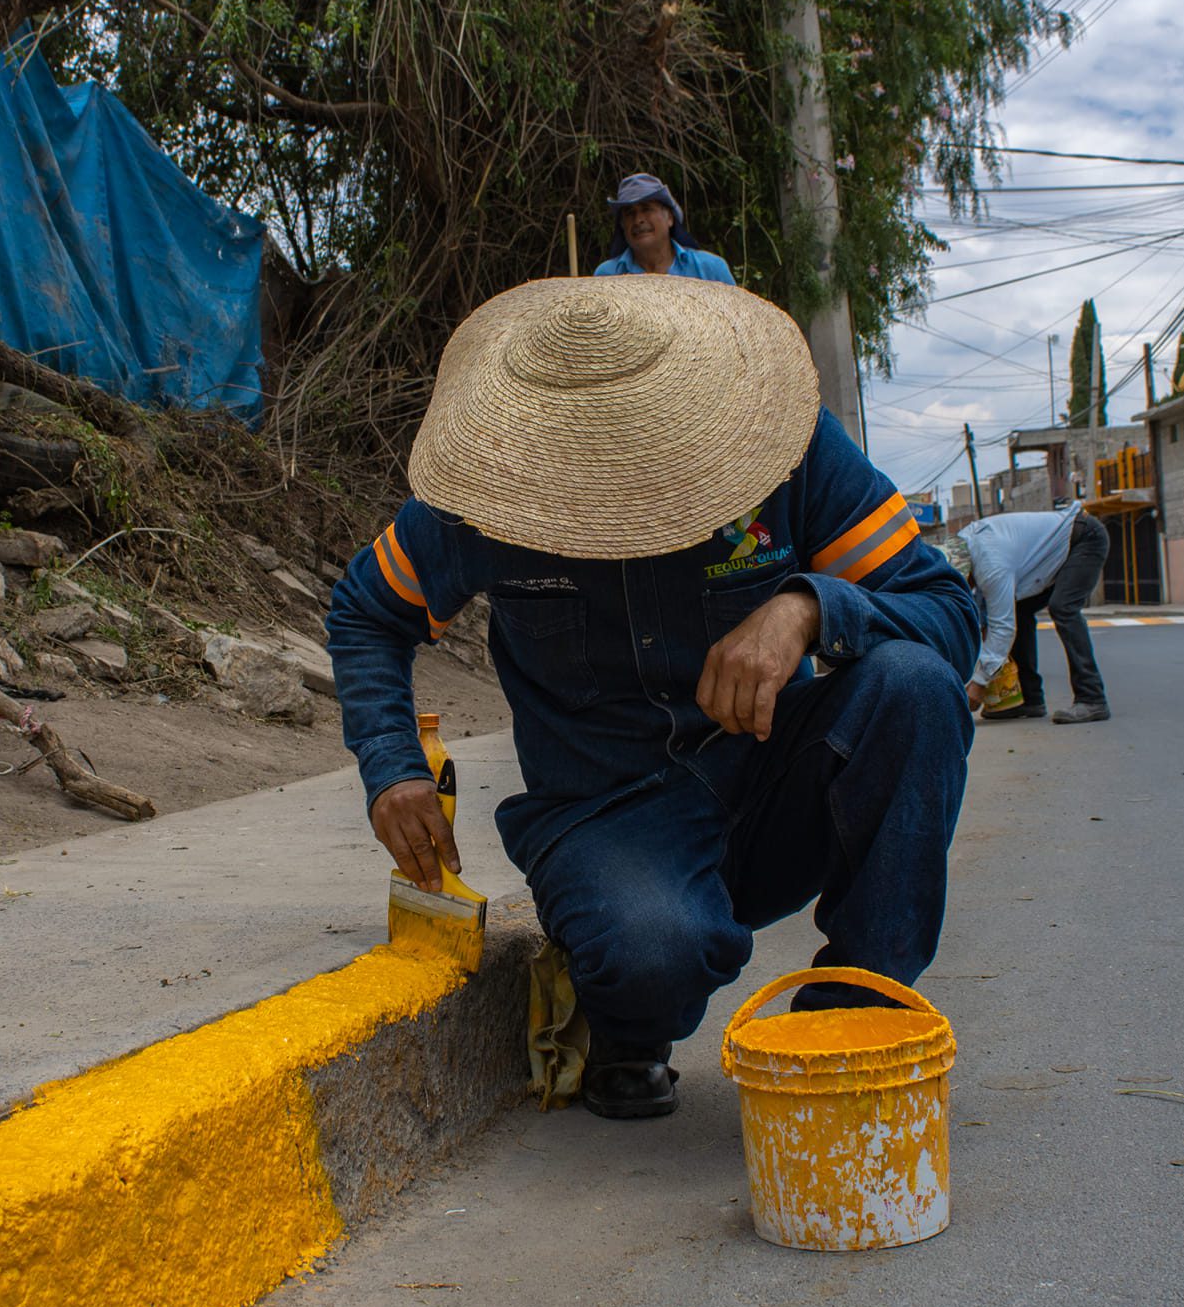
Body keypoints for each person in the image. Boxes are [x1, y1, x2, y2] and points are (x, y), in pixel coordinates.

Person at [326, 278, 976, 1119]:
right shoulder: (482, 500)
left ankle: (857, 1022)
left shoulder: (785, 448)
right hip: (606, 815)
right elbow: (367, 613)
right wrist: (392, 768)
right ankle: (628, 1020)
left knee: (916, 685)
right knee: (651, 953)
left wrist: (807, 610)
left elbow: (950, 616)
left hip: (775, 785)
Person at [942, 503, 1112, 724]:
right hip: (1050, 557)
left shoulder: (991, 564)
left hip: (1083, 539)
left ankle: (1092, 698)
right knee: (1020, 610)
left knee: (1063, 608)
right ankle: (1030, 700)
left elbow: (1002, 627)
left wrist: (978, 683)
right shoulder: (964, 544)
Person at [592, 173, 736, 284]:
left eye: (647, 209)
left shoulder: (710, 269)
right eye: (630, 213)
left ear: (670, 218)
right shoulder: (606, 276)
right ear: (622, 225)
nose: (638, 220)